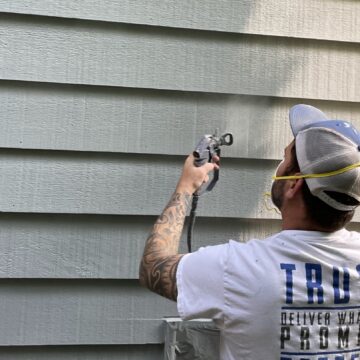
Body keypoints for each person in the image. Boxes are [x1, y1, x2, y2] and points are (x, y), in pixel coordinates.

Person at [139, 104, 360, 360]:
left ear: (294, 184)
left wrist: (185, 188)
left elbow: (152, 266)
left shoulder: (238, 268)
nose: (279, 166)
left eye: (285, 158)